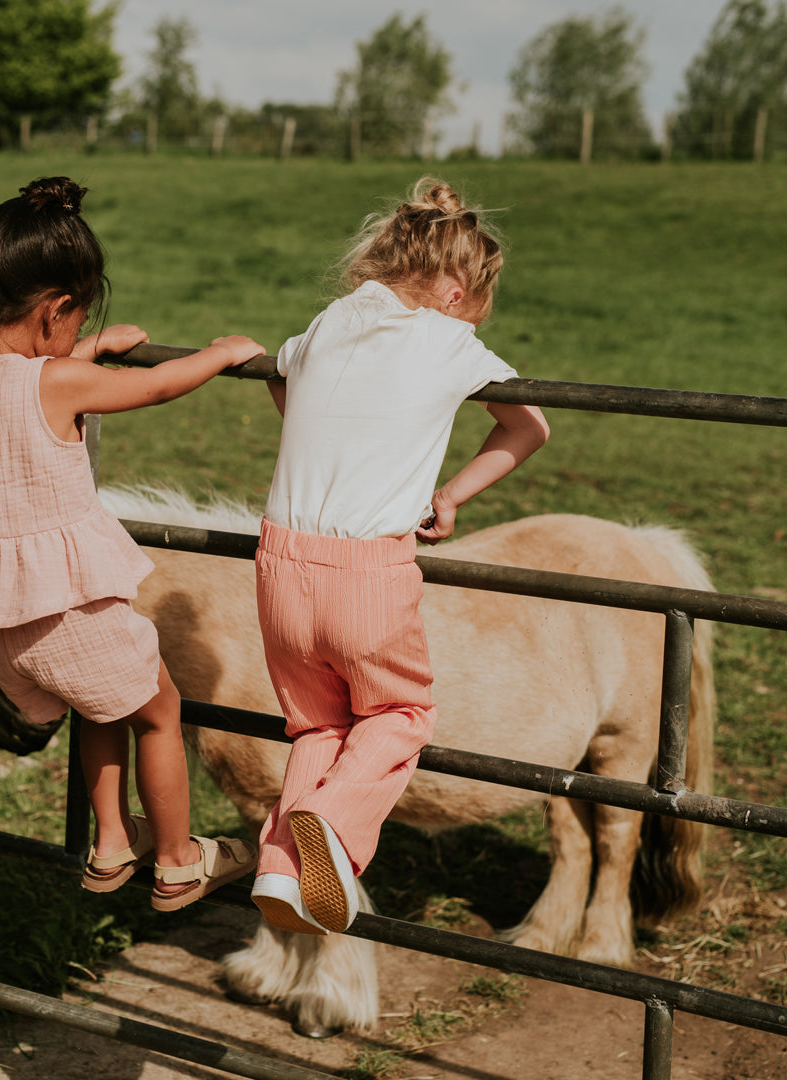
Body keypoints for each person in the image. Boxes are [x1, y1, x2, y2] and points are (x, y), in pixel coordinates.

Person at [0, 176, 260, 910]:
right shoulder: (58, 384)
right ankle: (175, 859)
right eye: (78, 323)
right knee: (159, 712)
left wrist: (91, 349)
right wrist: (219, 354)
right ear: (54, 311)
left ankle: (111, 843)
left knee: (102, 708)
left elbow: (36, 375)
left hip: (4, 631)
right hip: (70, 613)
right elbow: (159, 386)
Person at [251, 176, 550, 935]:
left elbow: (283, 387)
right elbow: (527, 427)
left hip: (280, 563)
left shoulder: (328, 321)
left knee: (318, 728)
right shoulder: (450, 340)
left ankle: (283, 872)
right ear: (456, 291)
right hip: (366, 571)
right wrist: (449, 495)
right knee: (400, 712)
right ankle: (332, 826)